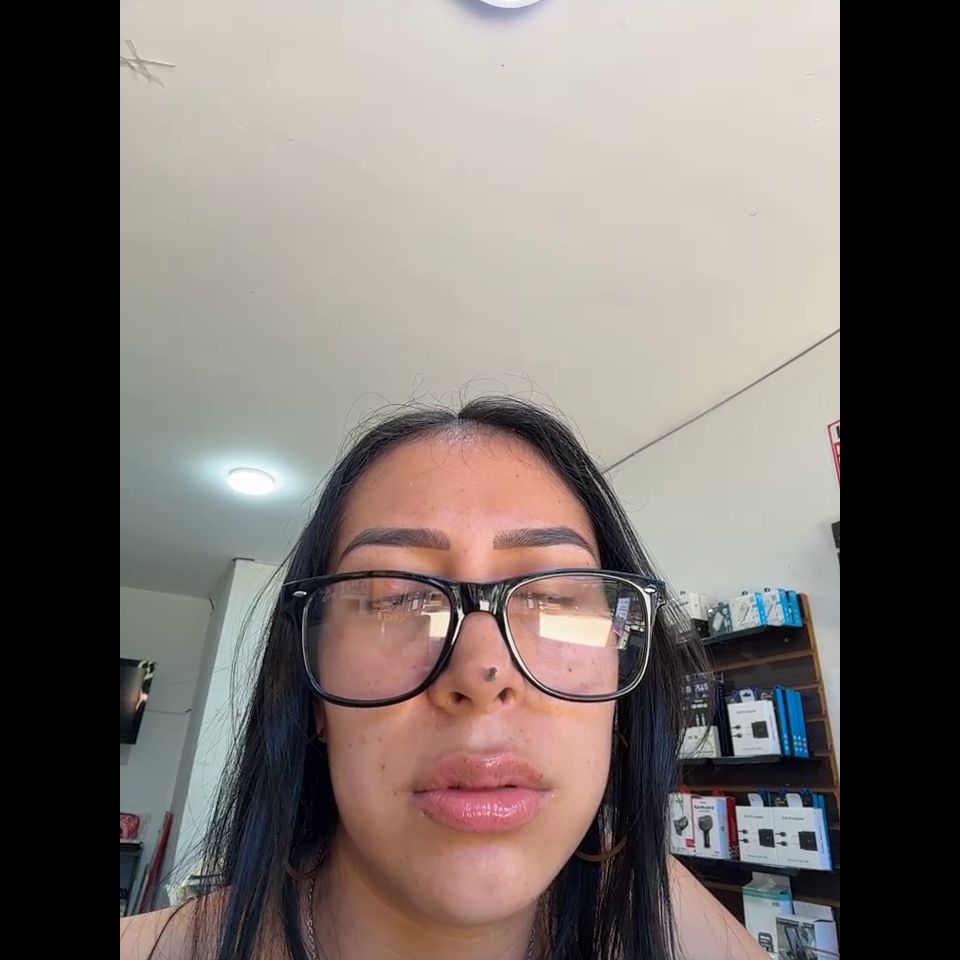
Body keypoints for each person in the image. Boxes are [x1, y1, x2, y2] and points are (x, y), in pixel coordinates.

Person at [121, 398, 769, 960]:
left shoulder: (668, 914)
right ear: (314, 690)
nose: (483, 674)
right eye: (398, 597)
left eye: (553, 597)